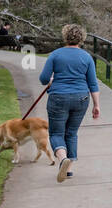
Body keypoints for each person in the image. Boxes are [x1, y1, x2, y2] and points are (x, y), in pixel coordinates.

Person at [38, 24, 100, 182]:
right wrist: (96, 105)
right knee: (71, 133)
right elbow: (93, 84)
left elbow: (44, 79)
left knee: (56, 133)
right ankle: (69, 169)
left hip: (58, 97)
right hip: (81, 98)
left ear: (65, 36)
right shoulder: (86, 57)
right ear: (82, 38)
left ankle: (62, 158)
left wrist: (52, 80)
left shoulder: (55, 55)